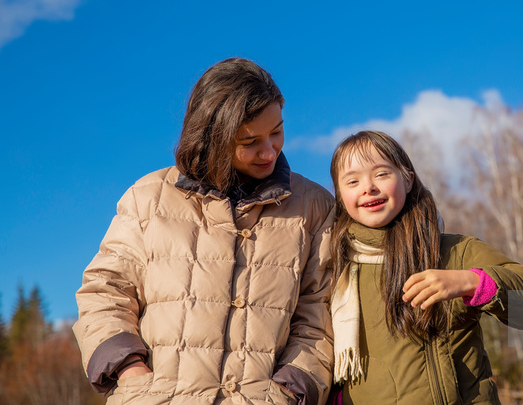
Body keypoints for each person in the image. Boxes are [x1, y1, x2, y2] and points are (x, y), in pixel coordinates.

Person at [73, 58, 335, 405]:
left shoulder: (313, 206)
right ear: (213, 136)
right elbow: (104, 292)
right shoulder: (149, 198)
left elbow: (320, 312)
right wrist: (130, 372)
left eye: (277, 131)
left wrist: (288, 390)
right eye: (250, 140)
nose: (269, 150)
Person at [327, 130, 523, 404]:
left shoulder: (455, 253)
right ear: (340, 195)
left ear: (408, 180)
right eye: (352, 181)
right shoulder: (333, 268)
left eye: (381, 174)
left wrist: (472, 283)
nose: (368, 187)